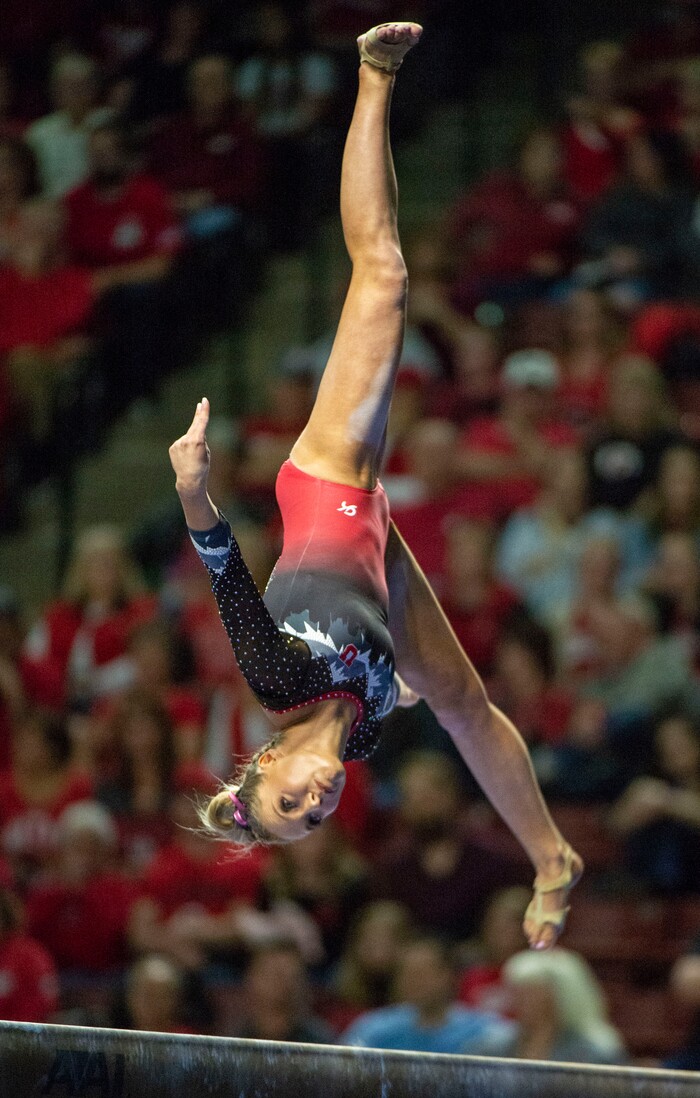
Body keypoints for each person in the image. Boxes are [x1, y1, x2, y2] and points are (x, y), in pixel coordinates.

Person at [168, 21, 582, 951]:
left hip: (325, 481)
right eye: (310, 820)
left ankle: (372, 72)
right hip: (376, 554)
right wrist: (396, 690)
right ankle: (553, 856)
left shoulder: (276, 677)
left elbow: (227, 573)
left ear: (267, 758)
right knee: (466, 708)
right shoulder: (356, 744)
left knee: (385, 274)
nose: (313, 804)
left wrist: (194, 489)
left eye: (286, 800)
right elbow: (383, 683)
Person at [340, 935, 514, 1054]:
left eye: (422, 974)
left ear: (447, 976)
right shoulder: (374, 1029)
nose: (414, 982)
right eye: (406, 974)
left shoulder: (485, 1032)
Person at [469, 947, 626, 1064]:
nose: (518, 1000)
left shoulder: (595, 1054)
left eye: (529, 993)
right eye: (516, 992)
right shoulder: (491, 1048)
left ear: (557, 998)